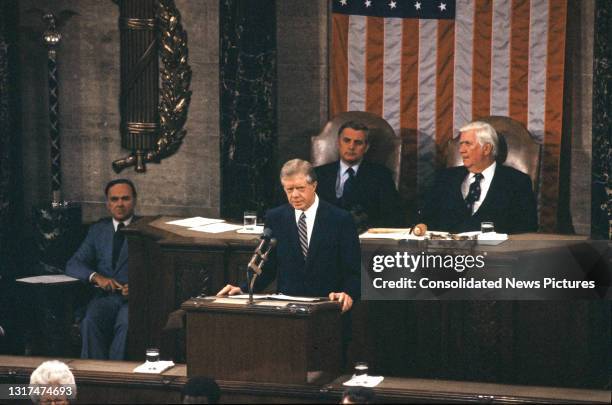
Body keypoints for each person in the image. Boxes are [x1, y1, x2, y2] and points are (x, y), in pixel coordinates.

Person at [218, 159, 360, 313]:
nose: (295, 195)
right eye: (289, 189)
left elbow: (354, 270)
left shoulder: (340, 219)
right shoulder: (276, 218)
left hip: (328, 306)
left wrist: (348, 293)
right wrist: (243, 289)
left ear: (314, 186)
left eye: (300, 188)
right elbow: (268, 267)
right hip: (288, 309)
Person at [420, 121, 537, 234]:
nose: (461, 150)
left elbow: (526, 230)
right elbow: (425, 219)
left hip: (497, 252)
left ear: (486, 149)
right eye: (461, 144)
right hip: (447, 252)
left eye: (468, 144)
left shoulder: (518, 182)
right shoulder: (444, 178)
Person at [66, 178, 138, 360]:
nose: (120, 204)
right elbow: (73, 264)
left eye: (125, 198)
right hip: (105, 298)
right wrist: (96, 277)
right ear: (108, 204)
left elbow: (159, 272)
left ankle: (116, 378)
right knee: (90, 321)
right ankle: (94, 375)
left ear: (135, 201)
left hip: (134, 301)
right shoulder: (98, 230)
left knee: (126, 324)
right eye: (114, 199)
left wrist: (139, 287)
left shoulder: (146, 230)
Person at [314, 121, 404, 233]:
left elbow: (393, 215)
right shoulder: (318, 174)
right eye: (346, 140)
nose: (351, 147)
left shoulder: (381, 175)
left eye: (358, 143)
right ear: (338, 143)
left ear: (366, 147)